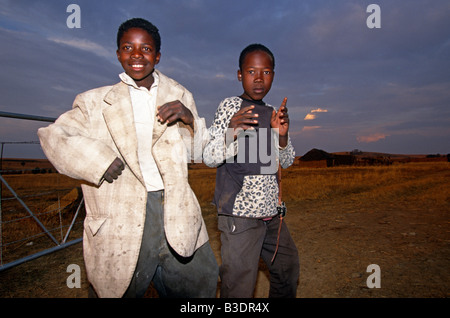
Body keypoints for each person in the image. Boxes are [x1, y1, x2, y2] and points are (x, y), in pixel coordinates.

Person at [38, 18, 218, 298]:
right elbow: (54, 136)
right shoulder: (94, 102)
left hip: (176, 211)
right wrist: (98, 160)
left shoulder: (180, 94)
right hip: (120, 215)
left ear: (157, 56)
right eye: (127, 47)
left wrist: (190, 119)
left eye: (145, 48)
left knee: (200, 284)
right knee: (118, 288)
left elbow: (198, 154)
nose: (136, 55)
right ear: (118, 54)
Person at [203, 43, 299, 298]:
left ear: (273, 76)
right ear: (239, 75)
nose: (259, 79)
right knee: (239, 287)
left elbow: (286, 161)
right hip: (240, 216)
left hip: (272, 215)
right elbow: (209, 157)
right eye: (251, 72)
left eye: (266, 72)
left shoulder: (271, 113)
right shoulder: (230, 107)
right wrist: (231, 131)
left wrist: (282, 135)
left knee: (287, 269)